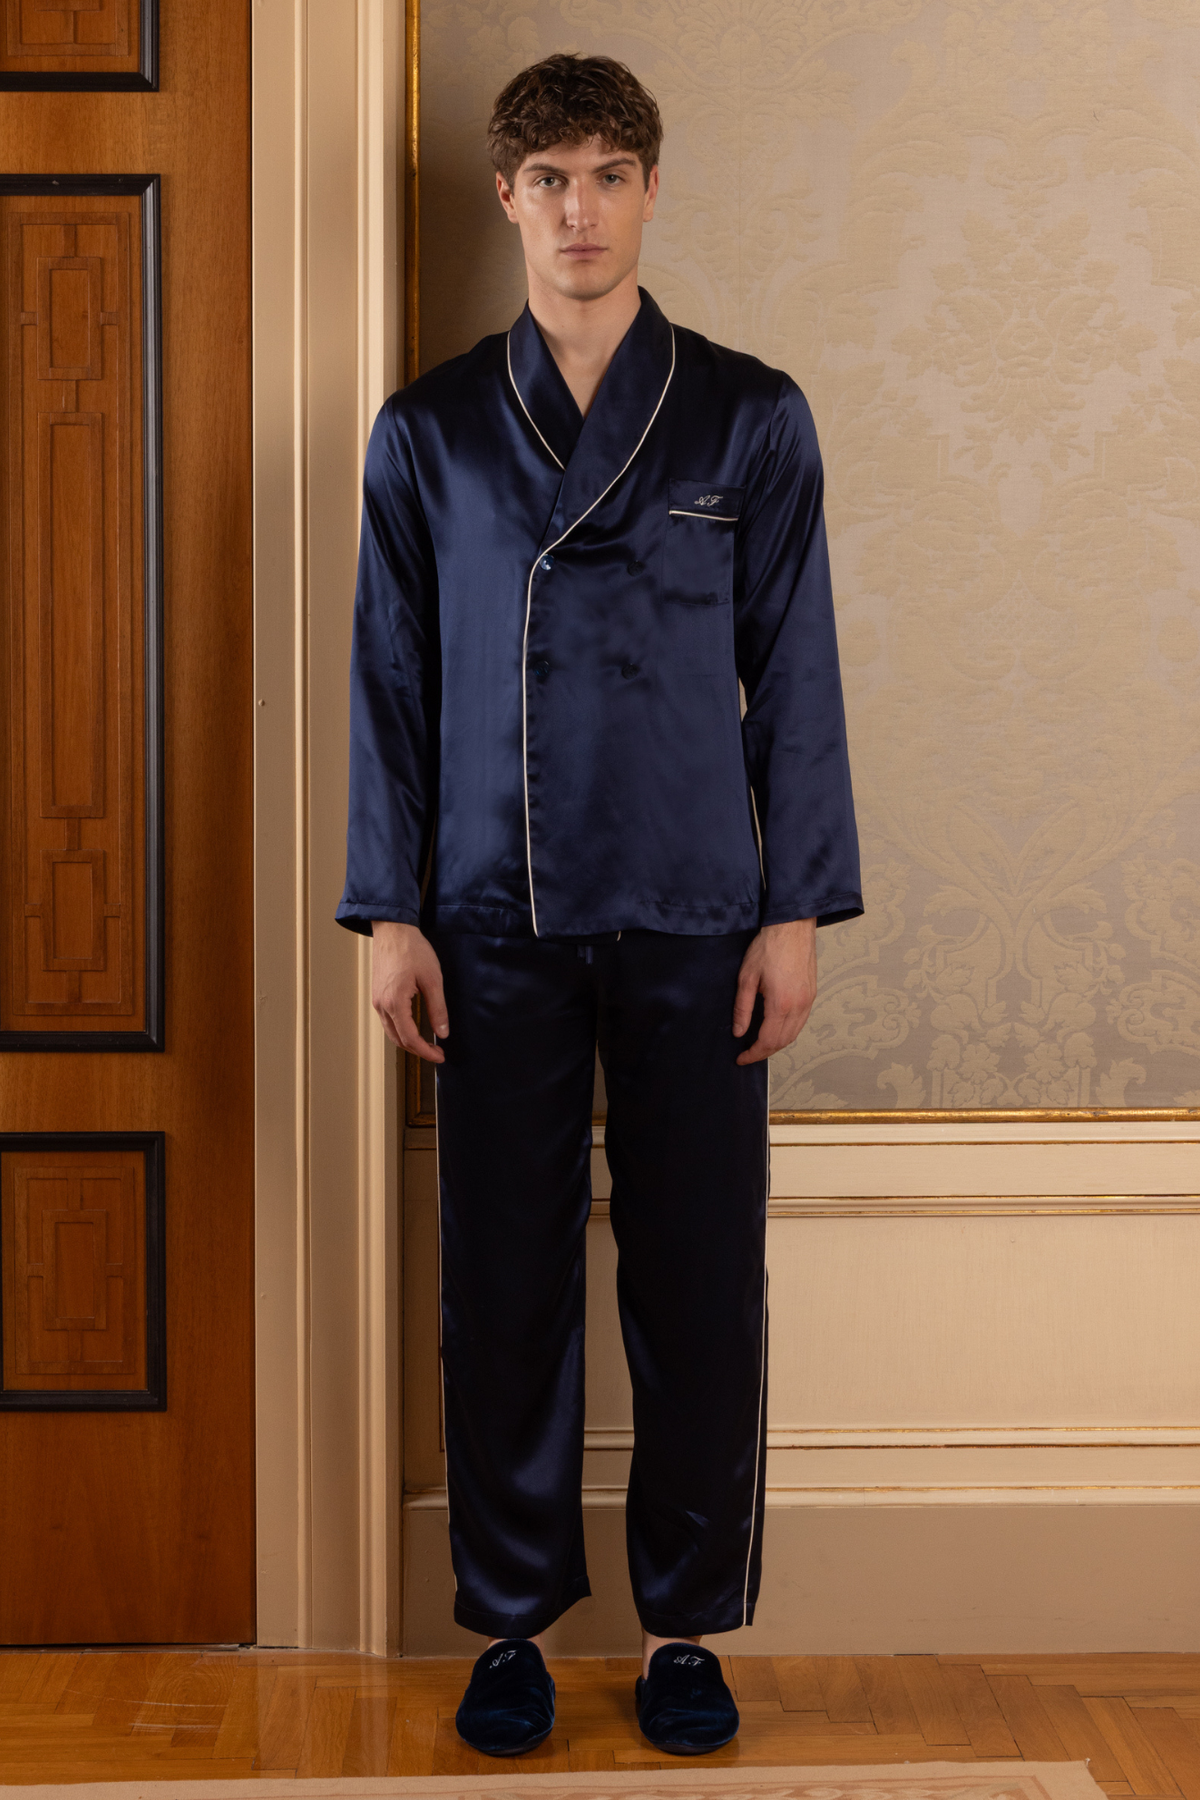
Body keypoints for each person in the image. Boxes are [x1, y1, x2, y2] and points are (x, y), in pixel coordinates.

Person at [336, 51, 862, 1758]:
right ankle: (508, 1626)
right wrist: (389, 911)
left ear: (649, 192)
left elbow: (797, 676)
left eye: (609, 176)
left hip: (702, 908)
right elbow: (390, 687)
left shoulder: (749, 415)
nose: (580, 209)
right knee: (502, 1281)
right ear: (507, 197)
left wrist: (796, 908)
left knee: (701, 1281)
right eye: (550, 179)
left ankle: (684, 1630)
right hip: (487, 914)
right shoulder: (425, 431)